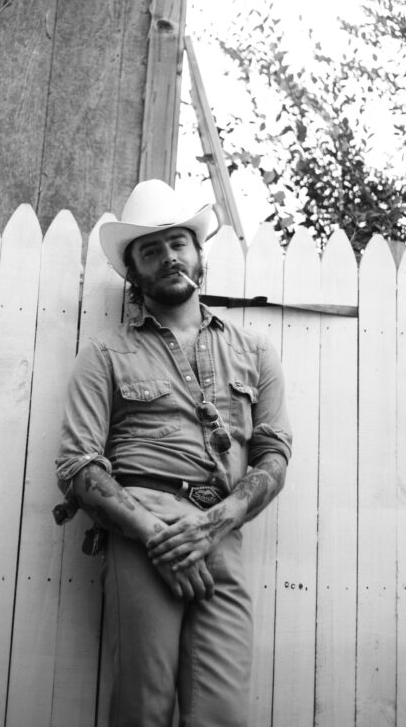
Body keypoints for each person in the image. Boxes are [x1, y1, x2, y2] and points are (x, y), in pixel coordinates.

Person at [56, 179, 292, 727]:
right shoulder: (105, 352)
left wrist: (215, 524)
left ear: (198, 252)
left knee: (223, 712)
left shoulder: (255, 351)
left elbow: (273, 456)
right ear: (133, 272)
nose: (168, 256)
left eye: (178, 243)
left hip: (221, 528)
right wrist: (154, 535)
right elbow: (78, 465)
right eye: (151, 250)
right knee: (145, 705)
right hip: (145, 529)